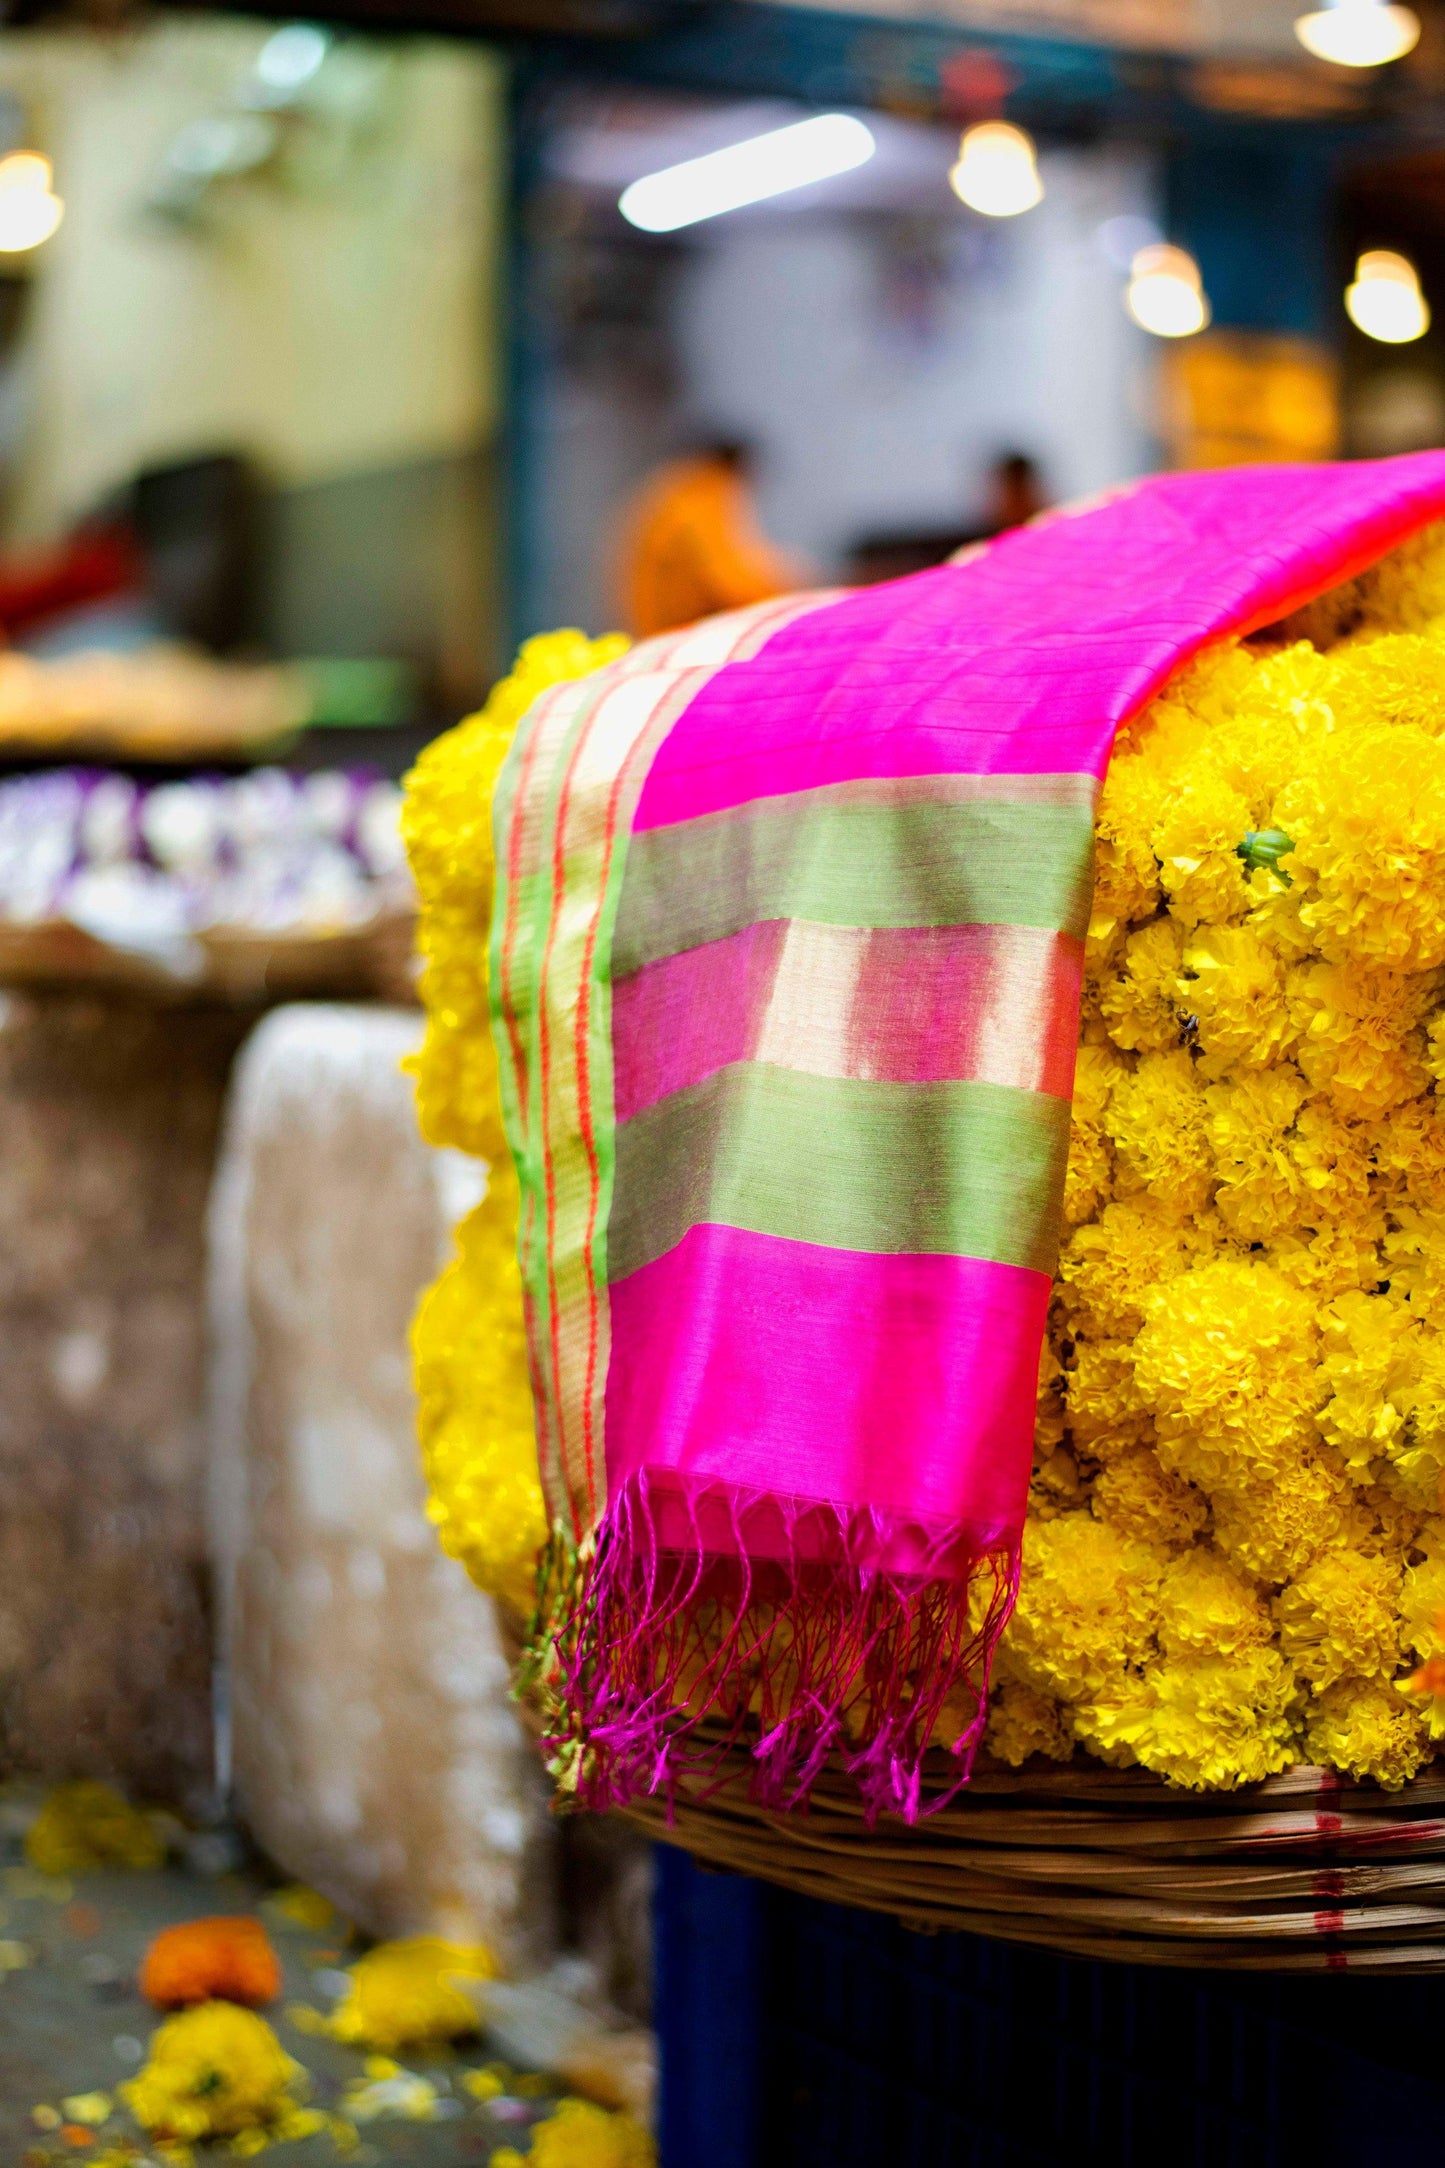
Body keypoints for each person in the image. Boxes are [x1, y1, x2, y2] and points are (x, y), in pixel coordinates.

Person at [617, 439, 805, 639]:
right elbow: (726, 580)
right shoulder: (704, 492)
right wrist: (796, 597)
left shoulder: (677, 488)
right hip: (675, 630)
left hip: (657, 628)